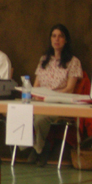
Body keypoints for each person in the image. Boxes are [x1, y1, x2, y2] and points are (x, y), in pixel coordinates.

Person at [28, 23, 83, 167]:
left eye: (60, 36)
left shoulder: (73, 61)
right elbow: (36, 85)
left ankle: (38, 149)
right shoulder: (44, 60)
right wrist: (36, 95)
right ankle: (39, 146)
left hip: (59, 103)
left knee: (39, 119)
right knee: (16, 113)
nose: (56, 39)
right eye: (54, 36)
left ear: (66, 40)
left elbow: (70, 88)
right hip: (40, 101)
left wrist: (50, 97)